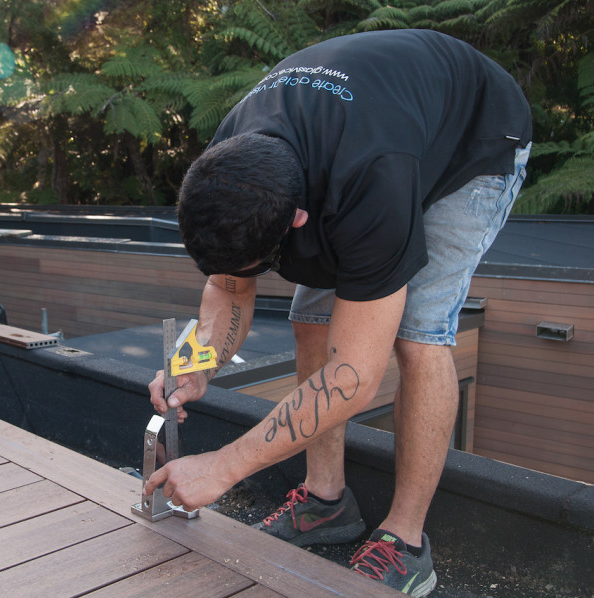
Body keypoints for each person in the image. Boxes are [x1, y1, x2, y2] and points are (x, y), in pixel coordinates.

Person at [144, 29, 531, 597]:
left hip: (475, 139)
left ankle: (408, 544)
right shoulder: (232, 159)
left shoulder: (370, 184)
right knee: (312, 320)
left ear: (298, 220)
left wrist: (224, 466)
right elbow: (230, 290)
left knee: (419, 335)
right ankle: (326, 502)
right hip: (375, 126)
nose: (245, 275)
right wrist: (196, 363)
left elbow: (353, 378)